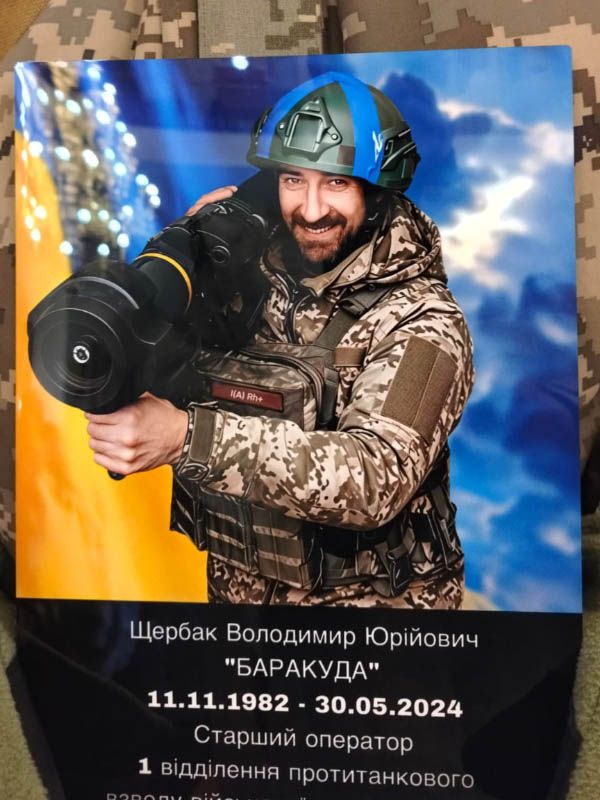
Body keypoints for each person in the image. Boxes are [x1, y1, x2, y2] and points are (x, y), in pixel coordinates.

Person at [85, 71, 474, 608]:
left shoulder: (424, 320)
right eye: (293, 179)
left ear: (378, 191)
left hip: (374, 623)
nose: (311, 210)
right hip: (239, 607)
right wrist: (187, 250)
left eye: (336, 183)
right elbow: (170, 360)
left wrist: (185, 438)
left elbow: (375, 476)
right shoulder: (253, 278)